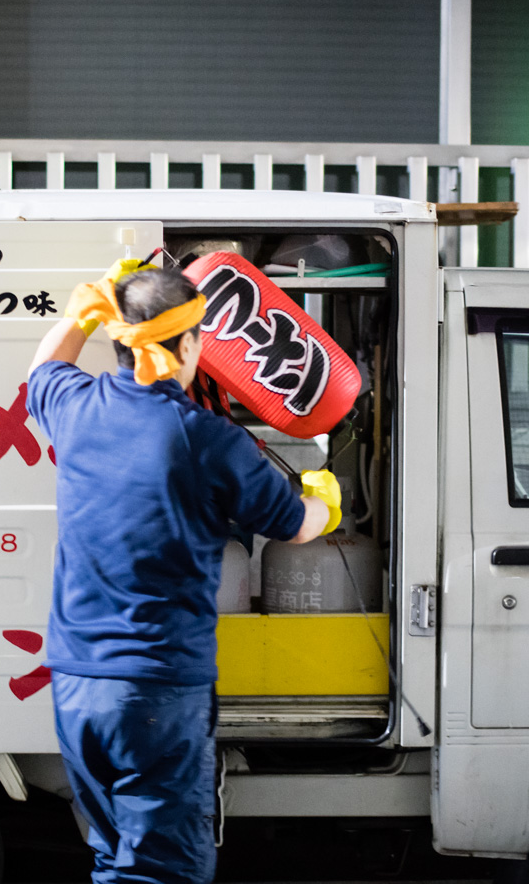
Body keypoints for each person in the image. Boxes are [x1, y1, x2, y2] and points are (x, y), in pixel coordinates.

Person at [25, 265, 337, 884]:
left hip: (76, 683)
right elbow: (296, 526)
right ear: (191, 345)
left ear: (112, 337)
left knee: (115, 856)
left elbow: (39, 372)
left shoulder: (76, 408)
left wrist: (76, 317)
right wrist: (321, 498)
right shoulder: (208, 440)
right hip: (156, 689)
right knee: (162, 870)